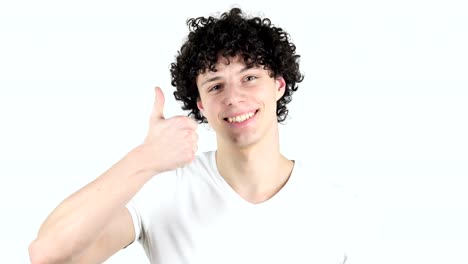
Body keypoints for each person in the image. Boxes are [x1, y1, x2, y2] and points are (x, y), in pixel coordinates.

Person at [29, 7, 366, 264]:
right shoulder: (164, 190)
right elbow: (48, 254)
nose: (234, 97)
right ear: (201, 105)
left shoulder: (337, 209)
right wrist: (145, 159)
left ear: (279, 85)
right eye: (216, 85)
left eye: (249, 77)